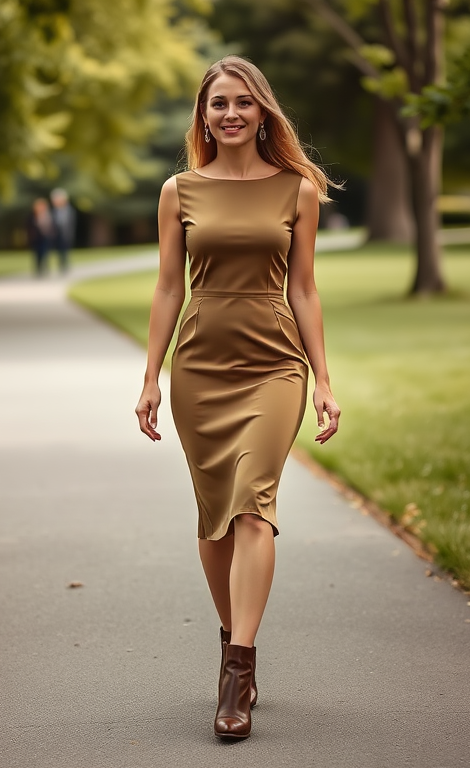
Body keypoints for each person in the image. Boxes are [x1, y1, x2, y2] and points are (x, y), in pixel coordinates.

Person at [134, 55, 341, 740]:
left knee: (254, 504)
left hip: (275, 365)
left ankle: (237, 671)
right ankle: (234, 630)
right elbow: (168, 287)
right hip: (200, 366)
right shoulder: (179, 191)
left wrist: (324, 380)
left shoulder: (297, 190)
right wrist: (149, 378)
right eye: (218, 103)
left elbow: (304, 288)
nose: (230, 113)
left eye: (243, 103)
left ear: (263, 113)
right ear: (203, 115)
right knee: (215, 517)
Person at [49, 188, 76, 274]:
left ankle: (65, 266)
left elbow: (71, 224)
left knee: (65, 251)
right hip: (56, 235)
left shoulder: (69, 210)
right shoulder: (53, 211)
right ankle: (61, 266)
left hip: (66, 234)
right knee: (58, 252)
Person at [27, 197, 53, 276]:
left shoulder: (48, 215)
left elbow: (51, 226)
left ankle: (45, 268)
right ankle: (38, 269)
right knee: (37, 254)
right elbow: (28, 226)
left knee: (45, 253)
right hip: (36, 238)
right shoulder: (32, 216)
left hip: (45, 237)